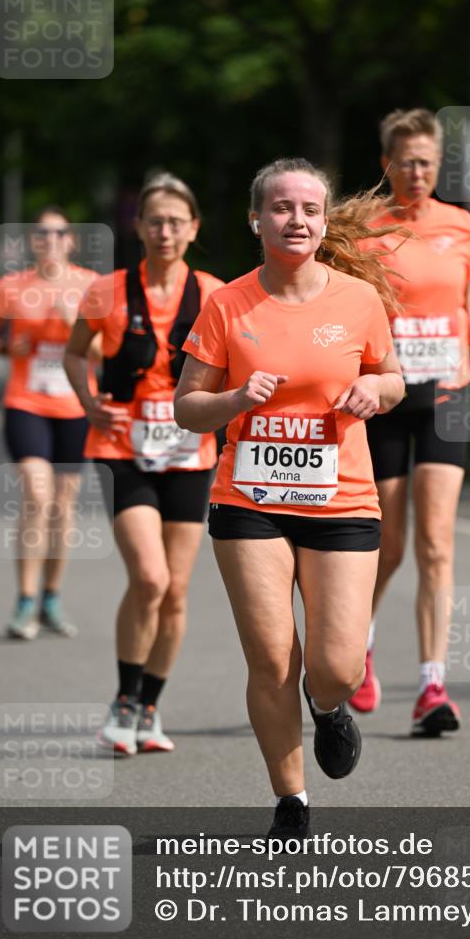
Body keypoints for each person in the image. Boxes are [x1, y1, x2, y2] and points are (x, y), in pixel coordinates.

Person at [174, 158, 404, 839]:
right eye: (280, 207)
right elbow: (188, 407)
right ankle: (291, 800)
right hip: (249, 499)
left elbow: (391, 379)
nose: (295, 219)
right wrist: (235, 399)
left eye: (308, 208)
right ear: (256, 219)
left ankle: (328, 708)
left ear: (324, 220)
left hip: (340, 500)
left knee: (336, 665)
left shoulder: (357, 301)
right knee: (272, 656)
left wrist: (375, 393)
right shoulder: (227, 304)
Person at [349, 108, 470, 732]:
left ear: (439, 165)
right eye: (406, 161)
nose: (417, 172)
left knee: (436, 544)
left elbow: (463, 294)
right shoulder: (360, 227)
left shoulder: (460, 225)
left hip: (446, 391)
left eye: (427, 162)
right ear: (387, 162)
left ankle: (431, 688)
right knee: (387, 546)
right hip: (386, 397)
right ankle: (357, 647)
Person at [64, 172, 224, 755]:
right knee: (150, 578)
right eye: (154, 221)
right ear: (138, 226)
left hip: (188, 455)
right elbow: (74, 353)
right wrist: (88, 405)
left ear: (193, 229)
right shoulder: (106, 292)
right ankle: (124, 699)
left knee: (176, 591)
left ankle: (151, 706)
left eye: (176, 222)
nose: (164, 231)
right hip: (122, 450)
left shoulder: (213, 292)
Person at [0, 206, 99, 640]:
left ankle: (51, 596)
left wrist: (76, 329)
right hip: (26, 402)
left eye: (58, 233)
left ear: (71, 241)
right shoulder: (12, 287)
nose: (49, 241)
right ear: (33, 242)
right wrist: (11, 346)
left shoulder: (90, 286)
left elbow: (110, 350)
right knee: (35, 494)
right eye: (41, 234)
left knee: (63, 506)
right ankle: (24, 601)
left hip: (76, 407)